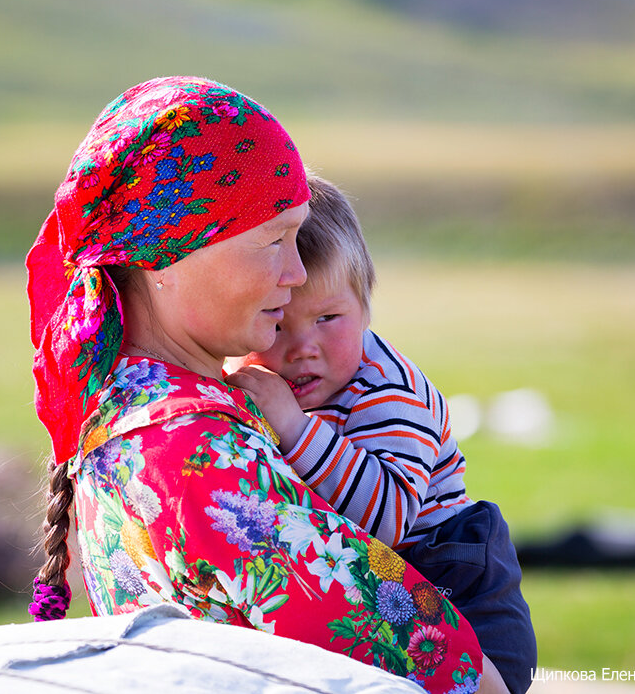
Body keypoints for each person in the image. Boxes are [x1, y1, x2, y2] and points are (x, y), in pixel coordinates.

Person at [26, 76, 508, 694]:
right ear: (166, 253)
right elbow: (451, 675)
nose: (297, 271)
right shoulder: (191, 449)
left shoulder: (124, 400)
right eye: (272, 240)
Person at [225, 176, 537, 693]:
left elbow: (386, 521)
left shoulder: (389, 394)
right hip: (387, 584)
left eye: (328, 318)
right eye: (277, 323)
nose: (304, 346)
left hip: (457, 589)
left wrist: (293, 428)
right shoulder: (285, 383)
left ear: (366, 306)